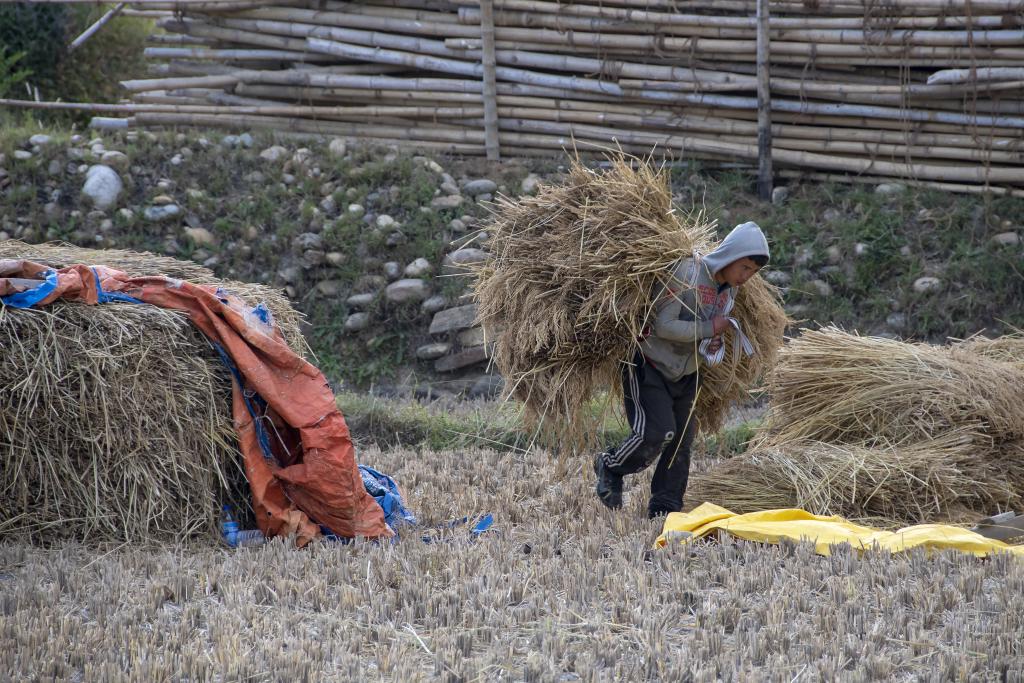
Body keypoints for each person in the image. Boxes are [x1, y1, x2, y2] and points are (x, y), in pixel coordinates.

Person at [593, 221, 770, 518]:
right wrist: (708, 328)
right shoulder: (685, 272)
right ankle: (610, 465)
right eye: (745, 267)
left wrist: (711, 343)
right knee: (656, 433)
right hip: (649, 364)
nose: (747, 277)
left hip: (688, 373)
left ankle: (665, 507)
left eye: (752, 272)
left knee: (681, 444)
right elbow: (662, 325)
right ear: (731, 256)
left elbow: (706, 329)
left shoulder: (728, 292)